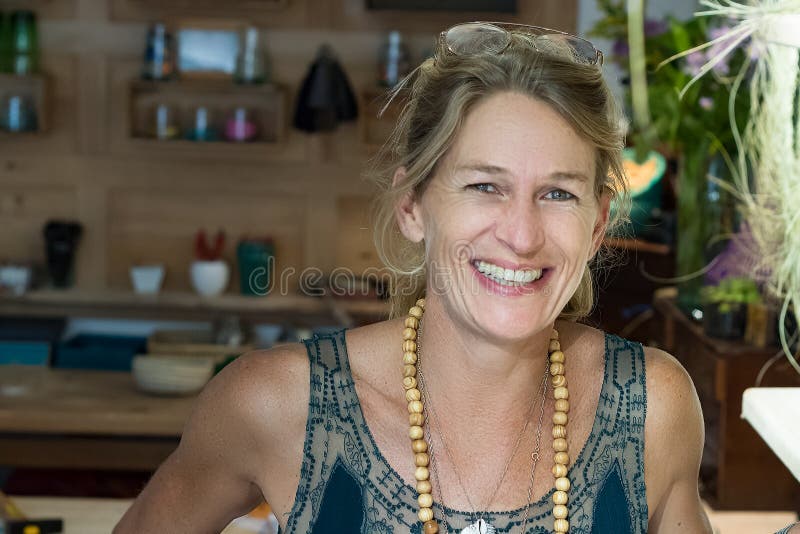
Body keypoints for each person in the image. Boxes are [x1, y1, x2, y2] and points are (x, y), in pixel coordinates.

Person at [115, 22, 715, 533]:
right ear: (413, 207)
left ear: (596, 226)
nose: (523, 235)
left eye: (558, 193)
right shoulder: (276, 404)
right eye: (485, 186)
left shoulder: (650, 409)